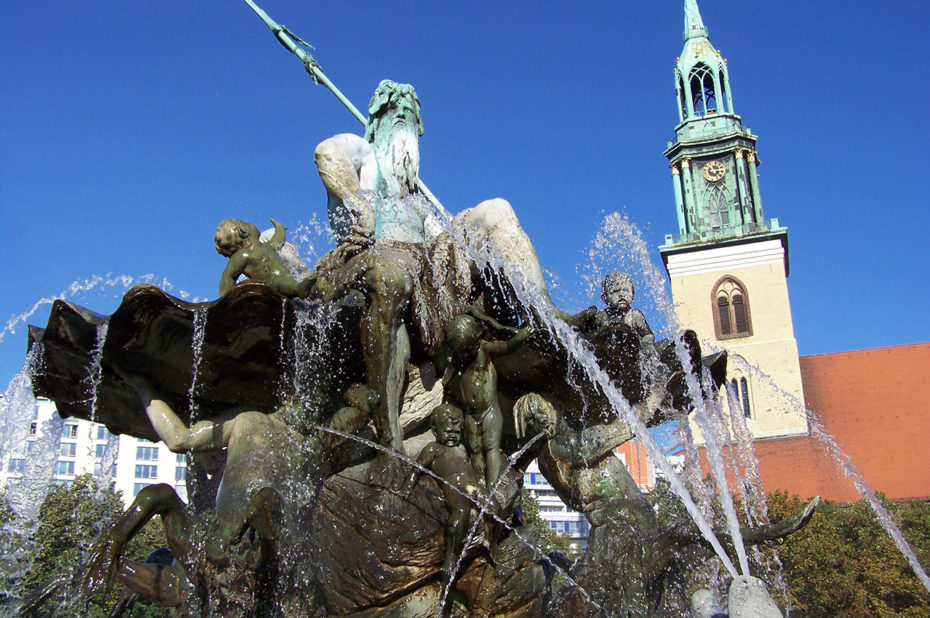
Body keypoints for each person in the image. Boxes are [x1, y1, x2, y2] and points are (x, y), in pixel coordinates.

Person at [402, 404, 495, 594]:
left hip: (473, 489)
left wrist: (481, 483)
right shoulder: (434, 449)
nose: (453, 435)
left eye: (456, 431)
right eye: (447, 430)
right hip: (456, 492)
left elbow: (474, 468)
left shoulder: (462, 449)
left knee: (496, 507)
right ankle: (451, 557)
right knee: (459, 515)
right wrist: (405, 488)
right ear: (435, 430)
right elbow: (417, 469)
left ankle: (490, 542)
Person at [446, 312, 533, 490]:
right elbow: (450, 371)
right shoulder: (461, 357)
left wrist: (521, 337)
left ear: (476, 338)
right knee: (475, 450)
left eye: (468, 348)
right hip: (470, 414)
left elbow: (506, 346)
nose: (465, 352)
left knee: (491, 447)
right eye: (461, 349)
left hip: (489, 411)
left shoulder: (484, 349)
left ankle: (492, 484)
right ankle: (480, 481)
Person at [214, 218, 312, 297]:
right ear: (243, 231)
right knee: (279, 282)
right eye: (244, 222)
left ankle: (309, 289)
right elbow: (228, 277)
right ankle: (299, 288)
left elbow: (278, 240)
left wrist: (279, 228)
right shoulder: (242, 255)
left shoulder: (267, 246)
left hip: (287, 278)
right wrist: (225, 299)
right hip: (271, 285)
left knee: (288, 280)